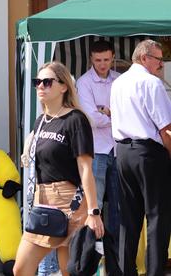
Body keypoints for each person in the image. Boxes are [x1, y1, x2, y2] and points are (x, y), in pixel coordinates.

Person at [14, 61, 104, 276]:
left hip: (70, 200)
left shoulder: (76, 120)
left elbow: (85, 169)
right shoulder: (41, 121)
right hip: (43, 201)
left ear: (64, 86)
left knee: (70, 271)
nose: (40, 87)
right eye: (38, 82)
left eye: (47, 82)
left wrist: (93, 211)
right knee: (21, 269)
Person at [110, 39, 171, 276]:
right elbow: (165, 129)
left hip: (123, 152)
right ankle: (154, 271)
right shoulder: (151, 83)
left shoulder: (118, 83)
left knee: (129, 217)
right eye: (158, 59)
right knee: (157, 215)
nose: (161, 65)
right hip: (148, 153)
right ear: (144, 58)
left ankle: (126, 271)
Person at [76, 40, 121, 245]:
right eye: (97, 60)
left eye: (105, 59)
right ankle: (91, 257)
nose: (102, 64)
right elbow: (91, 118)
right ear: (91, 59)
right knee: (94, 206)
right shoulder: (84, 82)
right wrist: (115, 115)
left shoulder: (120, 79)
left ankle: (116, 258)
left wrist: (106, 112)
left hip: (119, 149)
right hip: (97, 150)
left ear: (113, 57)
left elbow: (127, 112)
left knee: (119, 207)